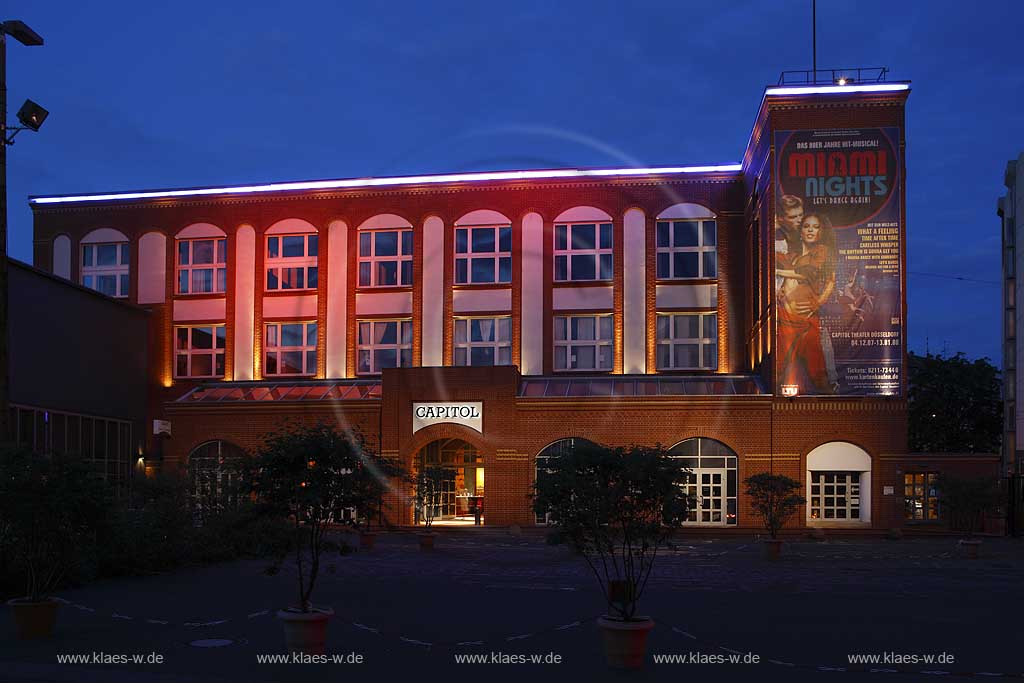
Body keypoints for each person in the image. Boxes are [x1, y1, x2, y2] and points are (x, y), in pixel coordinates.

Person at [776, 212, 837, 394]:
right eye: (806, 226)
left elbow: (811, 275)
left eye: (815, 227)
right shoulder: (793, 255)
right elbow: (790, 279)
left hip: (806, 322)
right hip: (785, 319)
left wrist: (818, 302)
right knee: (777, 371)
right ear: (801, 231)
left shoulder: (821, 252)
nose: (810, 230)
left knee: (819, 375)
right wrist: (781, 290)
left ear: (820, 232)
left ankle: (834, 416)